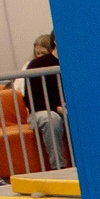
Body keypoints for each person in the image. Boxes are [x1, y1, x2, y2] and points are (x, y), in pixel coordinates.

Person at [23, 32, 66, 170]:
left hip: (69, 108)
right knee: (51, 118)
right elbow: (30, 99)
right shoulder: (37, 64)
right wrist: (56, 108)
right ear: (55, 41)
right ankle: (58, 166)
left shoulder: (77, 62)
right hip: (42, 111)